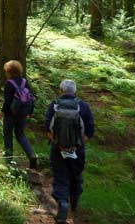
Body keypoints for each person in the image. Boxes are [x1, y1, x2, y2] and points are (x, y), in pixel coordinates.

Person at [44, 79, 95, 223]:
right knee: (75, 175)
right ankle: (74, 201)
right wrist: (77, 145)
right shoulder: (83, 106)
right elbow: (90, 129)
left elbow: (48, 128)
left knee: (60, 175)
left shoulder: (54, 105)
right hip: (77, 151)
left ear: (60, 90)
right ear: (75, 91)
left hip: (58, 148)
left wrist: (58, 144)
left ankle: (63, 203)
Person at [0, 60, 37, 169]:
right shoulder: (24, 81)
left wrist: (0, 114)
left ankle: (8, 160)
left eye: (6, 71)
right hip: (23, 114)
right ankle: (32, 155)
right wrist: (29, 113)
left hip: (10, 115)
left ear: (9, 71)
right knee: (20, 134)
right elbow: (32, 98)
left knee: (8, 135)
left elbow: (7, 102)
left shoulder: (9, 83)